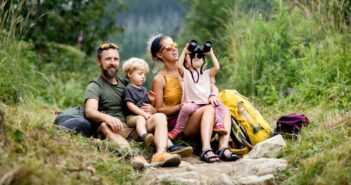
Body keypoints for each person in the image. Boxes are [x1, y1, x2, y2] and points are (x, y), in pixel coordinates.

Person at [56, 42, 192, 169]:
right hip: (113, 129)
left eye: (115, 59)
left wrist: (151, 107)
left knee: (160, 116)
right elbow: (90, 111)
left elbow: (139, 100)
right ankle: (133, 156)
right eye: (108, 59)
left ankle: (160, 154)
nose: (112, 63)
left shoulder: (125, 83)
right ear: (99, 62)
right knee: (103, 125)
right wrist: (108, 118)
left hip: (134, 126)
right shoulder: (95, 85)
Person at [148, 34, 240, 163]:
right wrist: (180, 107)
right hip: (183, 122)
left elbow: (211, 86)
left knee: (224, 108)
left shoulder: (190, 67)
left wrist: (213, 94)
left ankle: (223, 148)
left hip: (200, 114)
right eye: (168, 47)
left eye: (174, 45)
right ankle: (206, 149)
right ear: (159, 55)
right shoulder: (160, 79)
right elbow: (158, 110)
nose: (174, 49)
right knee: (209, 109)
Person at [168, 42, 228, 140]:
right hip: (194, 104)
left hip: (207, 102)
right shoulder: (186, 74)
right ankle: (177, 130)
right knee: (185, 108)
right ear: (187, 63)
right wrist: (185, 51)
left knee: (220, 104)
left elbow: (217, 67)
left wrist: (210, 53)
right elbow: (179, 66)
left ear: (203, 60)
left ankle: (219, 124)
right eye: (192, 57)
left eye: (199, 57)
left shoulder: (207, 73)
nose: (196, 57)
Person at [122, 57, 155, 145]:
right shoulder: (128, 89)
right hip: (132, 117)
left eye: (145, 75)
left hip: (144, 116)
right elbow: (130, 105)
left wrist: (151, 100)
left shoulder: (144, 90)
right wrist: (144, 114)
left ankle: (170, 146)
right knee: (140, 118)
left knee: (157, 118)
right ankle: (144, 137)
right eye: (140, 74)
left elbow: (145, 104)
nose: (143, 77)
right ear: (130, 74)